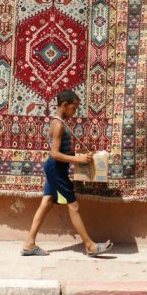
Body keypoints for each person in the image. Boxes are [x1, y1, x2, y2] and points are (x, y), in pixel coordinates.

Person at [21, 89, 113, 257]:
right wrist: (78, 160)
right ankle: (90, 246)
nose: (75, 112)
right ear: (64, 105)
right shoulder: (57, 125)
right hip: (56, 169)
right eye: (74, 108)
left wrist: (79, 156)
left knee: (47, 202)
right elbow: (54, 153)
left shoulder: (61, 122)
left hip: (56, 168)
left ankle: (29, 244)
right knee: (74, 205)